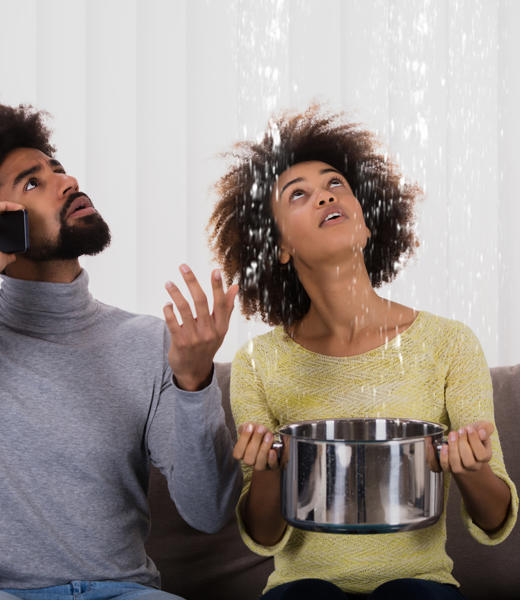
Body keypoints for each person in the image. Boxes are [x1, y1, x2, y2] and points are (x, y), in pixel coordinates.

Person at [0, 101, 241, 600]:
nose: (67, 182)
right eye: (33, 182)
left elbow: (207, 511)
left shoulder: (151, 343)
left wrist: (195, 384)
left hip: (128, 593)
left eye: (58, 169)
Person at [208, 106, 518, 599]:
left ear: (368, 222)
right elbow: (265, 536)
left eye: (335, 184)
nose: (326, 194)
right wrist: (266, 471)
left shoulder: (449, 343)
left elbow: (496, 518)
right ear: (280, 247)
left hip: (421, 586)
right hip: (302, 587)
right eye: (299, 195)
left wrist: (472, 466)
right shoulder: (257, 363)